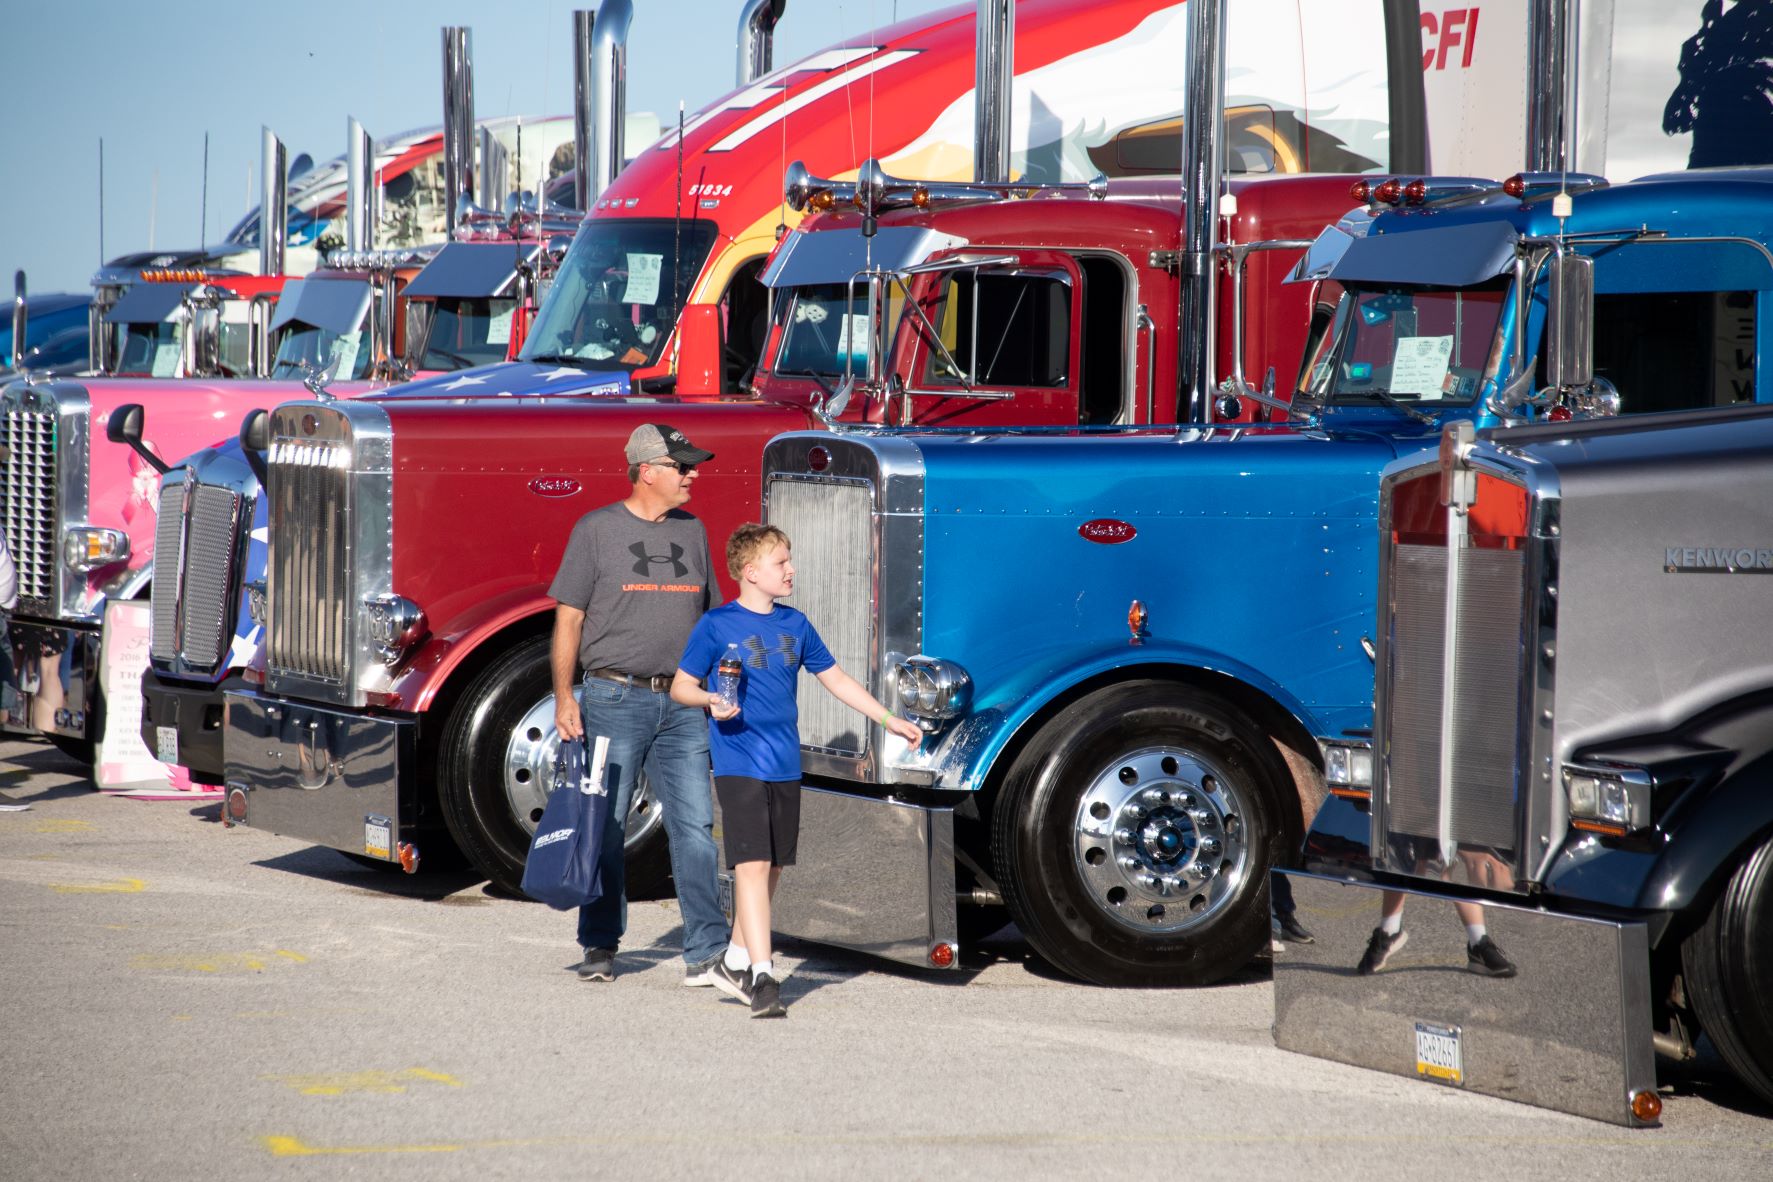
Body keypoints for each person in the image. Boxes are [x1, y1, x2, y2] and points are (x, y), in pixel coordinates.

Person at [672, 523, 924, 1018]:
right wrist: (709, 701)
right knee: (752, 863)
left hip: (784, 763)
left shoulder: (796, 624)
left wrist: (889, 719)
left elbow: (837, 679)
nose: (792, 570)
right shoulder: (717, 626)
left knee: (776, 864)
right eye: (781, 562)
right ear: (750, 572)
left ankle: (734, 960)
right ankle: (764, 977)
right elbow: (681, 686)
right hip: (738, 759)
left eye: (790, 560)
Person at [549, 423, 729, 987]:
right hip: (612, 696)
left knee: (696, 827)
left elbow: (712, 619)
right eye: (683, 467)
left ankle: (706, 949)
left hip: (681, 703)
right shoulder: (595, 530)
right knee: (605, 825)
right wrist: (563, 697)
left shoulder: (694, 531)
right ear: (647, 471)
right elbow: (569, 619)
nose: (693, 474)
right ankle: (600, 943)